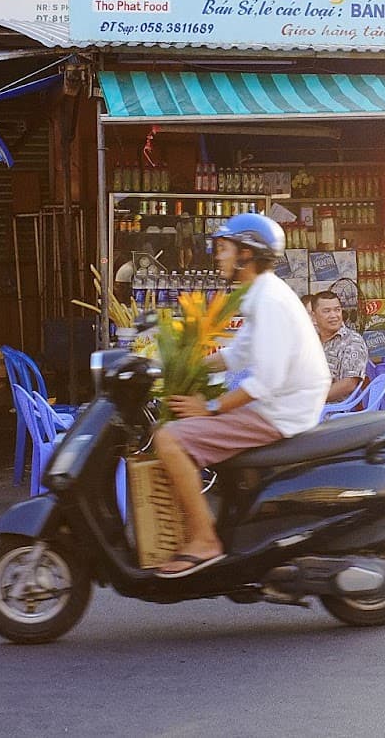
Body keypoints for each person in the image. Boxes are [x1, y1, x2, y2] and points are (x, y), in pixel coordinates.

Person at [149, 213, 330, 576]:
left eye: (224, 249)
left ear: (246, 254)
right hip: (279, 405)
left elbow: (265, 383)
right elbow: (236, 355)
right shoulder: (260, 294)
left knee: (168, 439)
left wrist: (210, 408)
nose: (218, 257)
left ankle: (204, 539)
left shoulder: (269, 301)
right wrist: (178, 365)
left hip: (280, 411)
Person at [309, 289, 368, 403]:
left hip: (335, 411)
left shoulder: (352, 341)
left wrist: (312, 400)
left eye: (337, 310)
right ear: (314, 316)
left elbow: (349, 384)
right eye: (326, 311)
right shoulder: (311, 341)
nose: (334, 315)